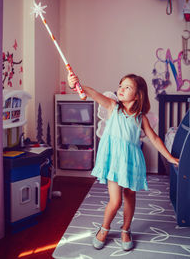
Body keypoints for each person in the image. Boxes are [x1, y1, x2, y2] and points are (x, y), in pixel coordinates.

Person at [68, 72, 179, 252]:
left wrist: (169, 157)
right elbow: (92, 92)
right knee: (116, 200)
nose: (121, 89)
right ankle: (104, 228)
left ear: (137, 95)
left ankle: (125, 230)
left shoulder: (140, 118)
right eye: (120, 86)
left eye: (127, 87)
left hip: (132, 162)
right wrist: (76, 84)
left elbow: (155, 139)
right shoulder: (113, 107)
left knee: (130, 196)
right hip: (113, 162)